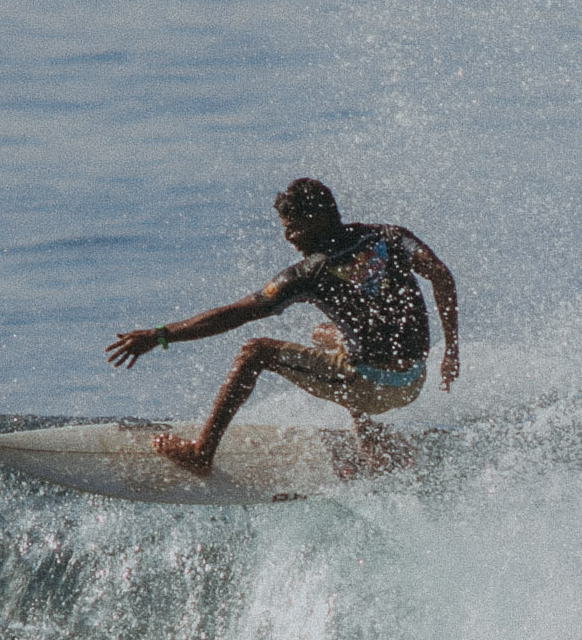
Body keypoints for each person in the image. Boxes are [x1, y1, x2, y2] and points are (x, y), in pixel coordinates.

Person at [106, 178, 460, 476]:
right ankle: (372, 439)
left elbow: (235, 313)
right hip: (413, 379)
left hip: (368, 385)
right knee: (323, 334)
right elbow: (442, 276)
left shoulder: (310, 273)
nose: (288, 237)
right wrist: (451, 351)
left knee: (255, 351)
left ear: (318, 219)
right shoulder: (390, 237)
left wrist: (160, 334)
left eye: (292, 226)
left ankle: (201, 453)